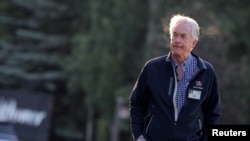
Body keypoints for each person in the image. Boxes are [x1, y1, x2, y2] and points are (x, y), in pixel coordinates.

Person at [129, 14, 222, 141]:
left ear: (194, 43)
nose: (177, 40)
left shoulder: (206, 72)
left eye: (183, 36)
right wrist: (139, 136)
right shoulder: (153, 68)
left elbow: (213, 112)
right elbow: (136, 103)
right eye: (175, 35)